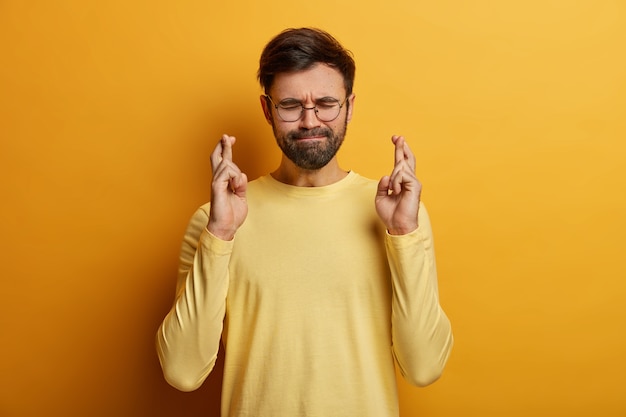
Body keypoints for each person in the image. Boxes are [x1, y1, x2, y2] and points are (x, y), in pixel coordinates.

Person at [156, 27, 453, 417]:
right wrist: (221, 234)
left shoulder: (398, 215)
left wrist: (403, 234)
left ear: (349, 105)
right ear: (267, 110)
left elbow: (424, 367)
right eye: (291, 105)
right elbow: (182, 371)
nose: (310, 121)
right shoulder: (217, 220)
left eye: (327, 103)